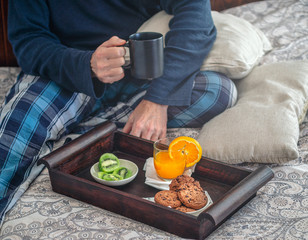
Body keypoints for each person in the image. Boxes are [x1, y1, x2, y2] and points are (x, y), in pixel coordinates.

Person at [0, 0, 237, 225]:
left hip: (141, 77)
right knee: (17, 128)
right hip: (69, 70)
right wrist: (89, 65)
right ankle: (79, 129)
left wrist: (157, 100)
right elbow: (28, 40)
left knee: (219, 91)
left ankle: (74, 133)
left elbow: (196, 16)